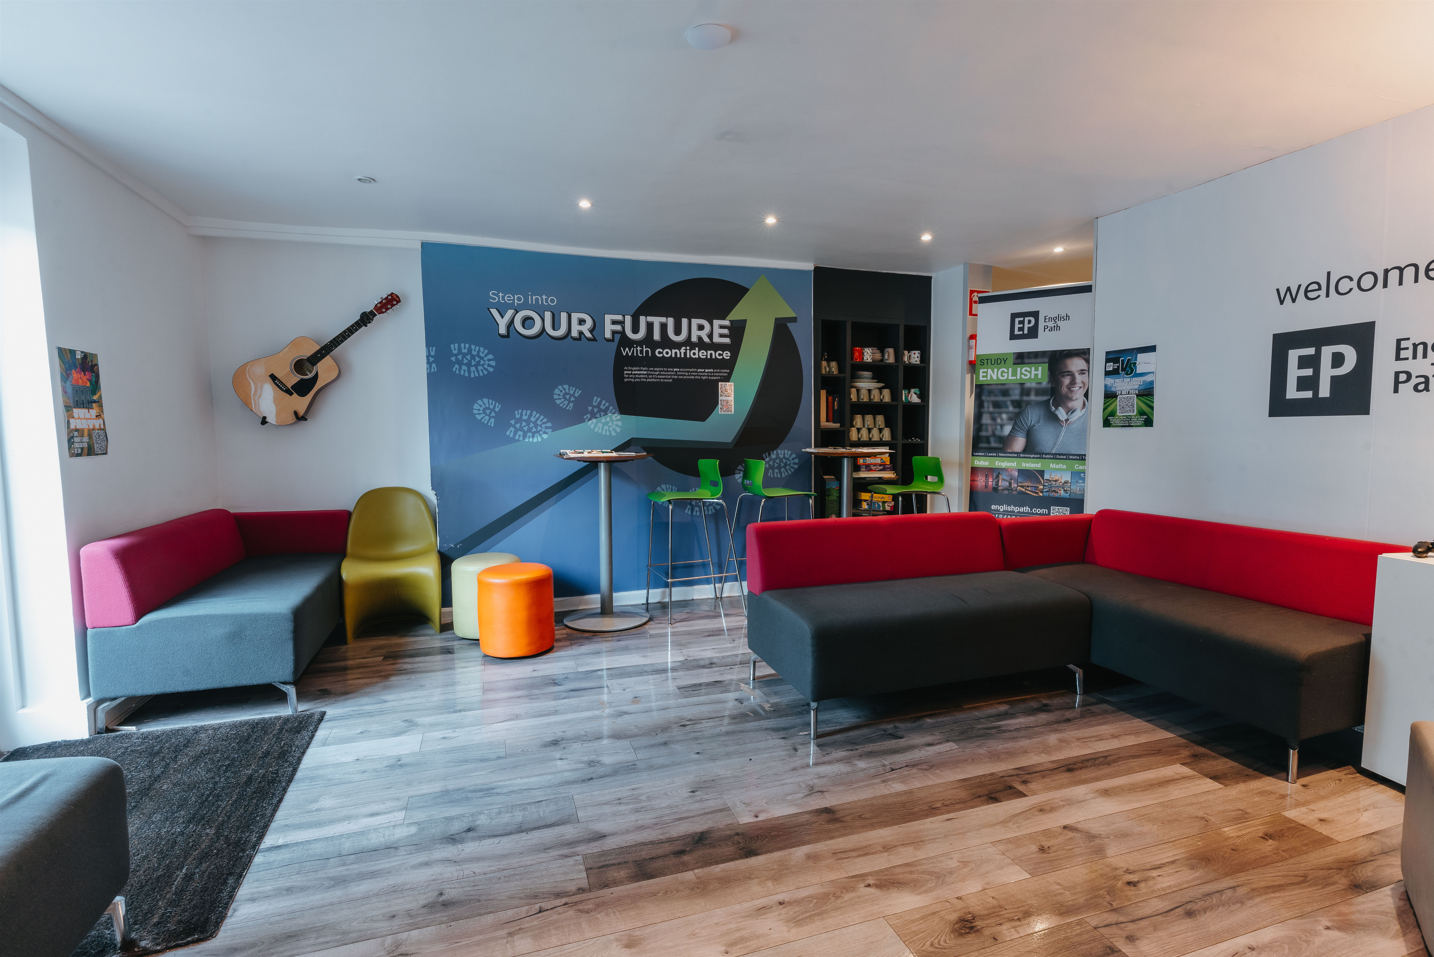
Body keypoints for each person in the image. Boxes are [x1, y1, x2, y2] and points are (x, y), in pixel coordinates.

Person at [1002, 351, 1089, 454]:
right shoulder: (1030, 414)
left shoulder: (1098, 417)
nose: (1076, 380)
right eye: (1066, 375)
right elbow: (1008, 459)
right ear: (1052, 380)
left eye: (1082, 373)